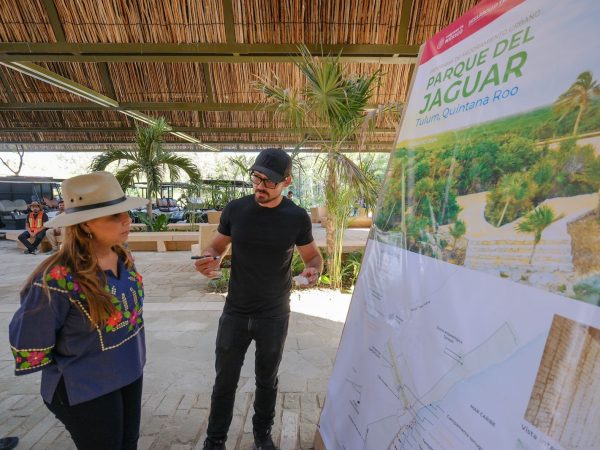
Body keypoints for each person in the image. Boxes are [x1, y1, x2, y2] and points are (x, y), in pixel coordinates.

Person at [9, 171, 148, 450]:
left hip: (129, 370)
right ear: (85, 224)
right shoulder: (57, 277)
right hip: (84, 385)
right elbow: (29, 335)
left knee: (128, 443)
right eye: (114, 215)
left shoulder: (122, 255)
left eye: (125, 212)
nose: (127, 220)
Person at [195, 149, 323, 450]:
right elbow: (216, 247)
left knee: (267, 379)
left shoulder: (296, 217)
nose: (260, 187)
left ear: (287, 182)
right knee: (225, 380)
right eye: (256, 178)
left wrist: (313, 270)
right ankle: (215, 440)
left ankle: (262, 435)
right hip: (236, 311)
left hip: (274, 314)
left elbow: (313, 257)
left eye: (269, 181)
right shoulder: (236, 209)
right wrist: (208, 259)